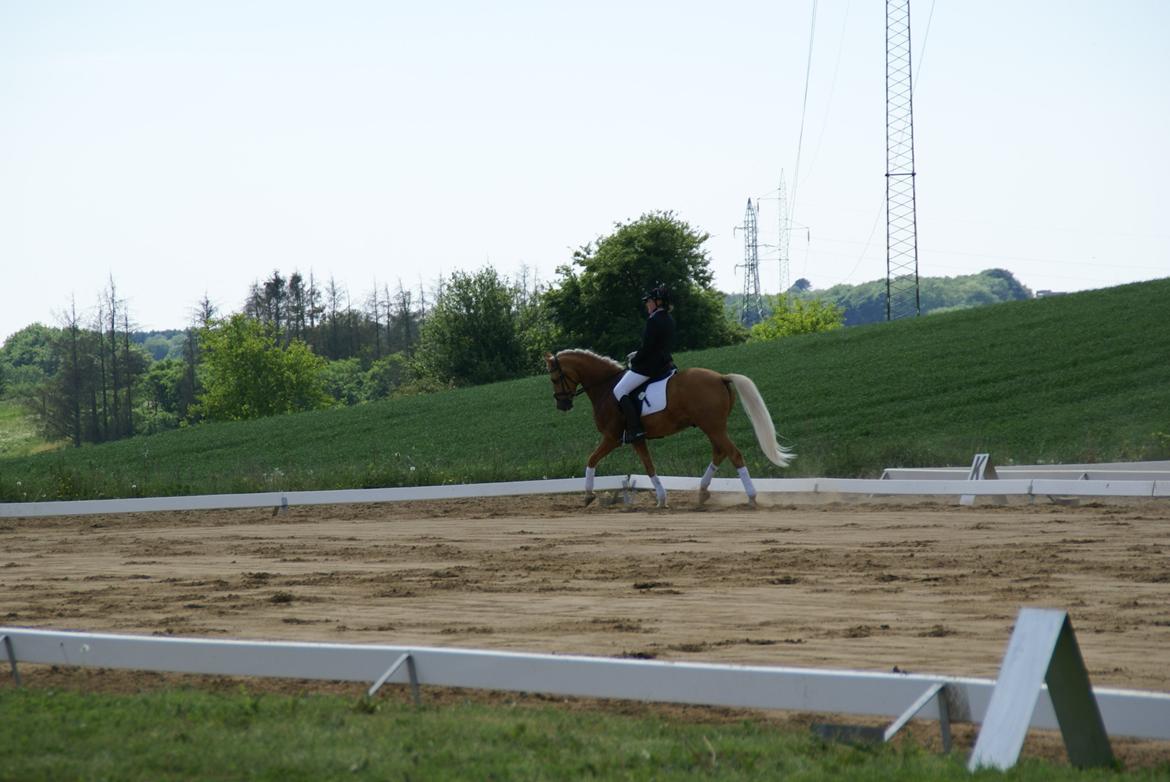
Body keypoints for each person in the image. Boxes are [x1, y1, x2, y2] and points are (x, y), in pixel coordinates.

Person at [612, 284, 676, 444]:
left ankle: (635, 429)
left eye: (649, 301)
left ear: (658, 302)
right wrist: (639, 353)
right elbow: (657, 346)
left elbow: (648, 348)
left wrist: (635, 359)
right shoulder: (669, 319)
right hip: (666, 364)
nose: (647, 304)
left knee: (619, 390)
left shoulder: (653, 320)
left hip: (650, 367)